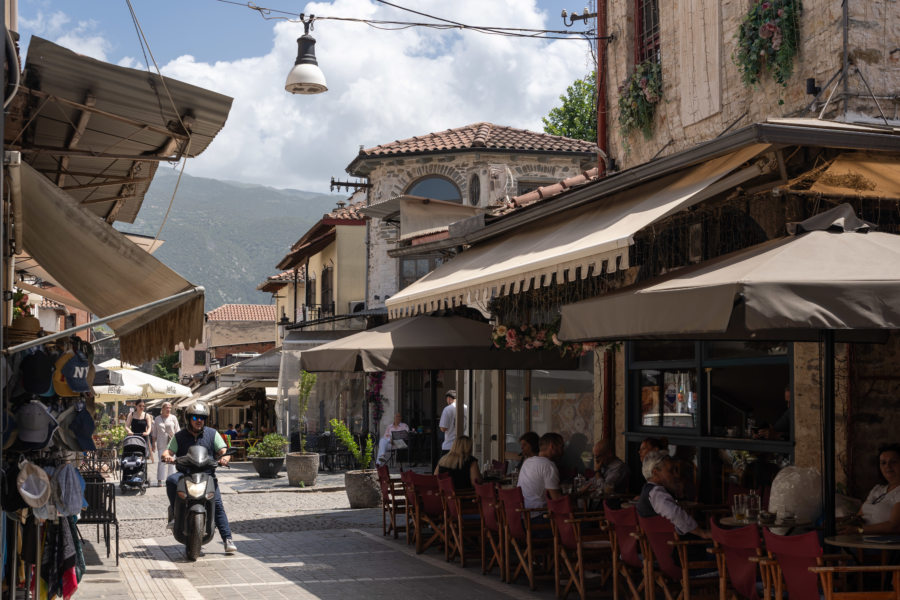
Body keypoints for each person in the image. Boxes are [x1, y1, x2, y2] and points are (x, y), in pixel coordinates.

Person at [162, 401, 237, 554]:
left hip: (207, 475)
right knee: (171, 481)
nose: (199, 421)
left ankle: (227, 539)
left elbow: (223, 449)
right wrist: (167, 457)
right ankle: (175, 514)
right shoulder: (180, 436)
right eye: (195, 418)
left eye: (202, 418)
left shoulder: (212, 434)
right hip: (185, 475)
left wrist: (224, 458)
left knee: (217, 504)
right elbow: (168, 451)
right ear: (189, 419)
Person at [638, 451, 710, 539]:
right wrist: (702, 532)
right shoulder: (656, 493)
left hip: (665, 548)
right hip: (673, 549)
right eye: (671, 471)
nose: (676, 475)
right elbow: (674, 513)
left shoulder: (649, 490)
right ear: (655, 473)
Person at [840, 443, 900, 535]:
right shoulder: (877, 489)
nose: (888, 466)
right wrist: (837, 522)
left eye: (893, 462)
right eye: (883, 463)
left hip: (883, 545)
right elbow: (859, 517)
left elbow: (894, 526)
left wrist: (858, 530)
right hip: (862, 539)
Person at [517, 432, 564, 510]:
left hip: (524, 515)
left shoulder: (527, 462)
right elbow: (557, 500)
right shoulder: (548, 465)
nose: (563, 451)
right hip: (539, 515)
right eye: (561, 447)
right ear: (552, 446)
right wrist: (578, 495)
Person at [152, 402, 180, 487]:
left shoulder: (173, 418)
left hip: (172, 443)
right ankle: (160, 480)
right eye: (167, 408)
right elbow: (154, 433)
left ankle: (171, 480)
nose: (168, 409)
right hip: (161, 442)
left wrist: (178, 442)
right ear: (162, 409)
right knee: (161, 462)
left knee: (172, 462)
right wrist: (153, 443)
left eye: (169, 408)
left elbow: (177, 431)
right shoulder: (157, 419)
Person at [439, 390, 467, 456]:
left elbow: (443, 428)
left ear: (448, 398)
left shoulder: (447, 409)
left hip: (450, 446)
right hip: (464, 445)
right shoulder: (466, 407)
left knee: (446, 465)